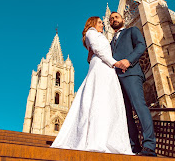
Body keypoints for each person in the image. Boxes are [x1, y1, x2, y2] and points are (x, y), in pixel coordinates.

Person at [50, 16, 133, 155]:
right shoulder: (91, 33)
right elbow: (98, 50)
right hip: (103, 67)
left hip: (105, 68)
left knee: (106, 102)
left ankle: (106, 139)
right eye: (100, 22)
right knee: (98, 100)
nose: (103, 25)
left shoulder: (96, 35)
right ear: (93, 23)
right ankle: (96, 139)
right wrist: (115, 63)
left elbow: (93, 53)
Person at [109, 11, 157, 157]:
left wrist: (128, 61)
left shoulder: (132, 31)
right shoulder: (110, 42)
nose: (114, 20)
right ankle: (133, 146)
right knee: (125, 114)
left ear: (122, 19)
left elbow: (141, 46)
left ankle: (149, 145)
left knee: (139, 106)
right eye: (111, 19)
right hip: (116, 79)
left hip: (131, 73)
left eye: (116, 17)